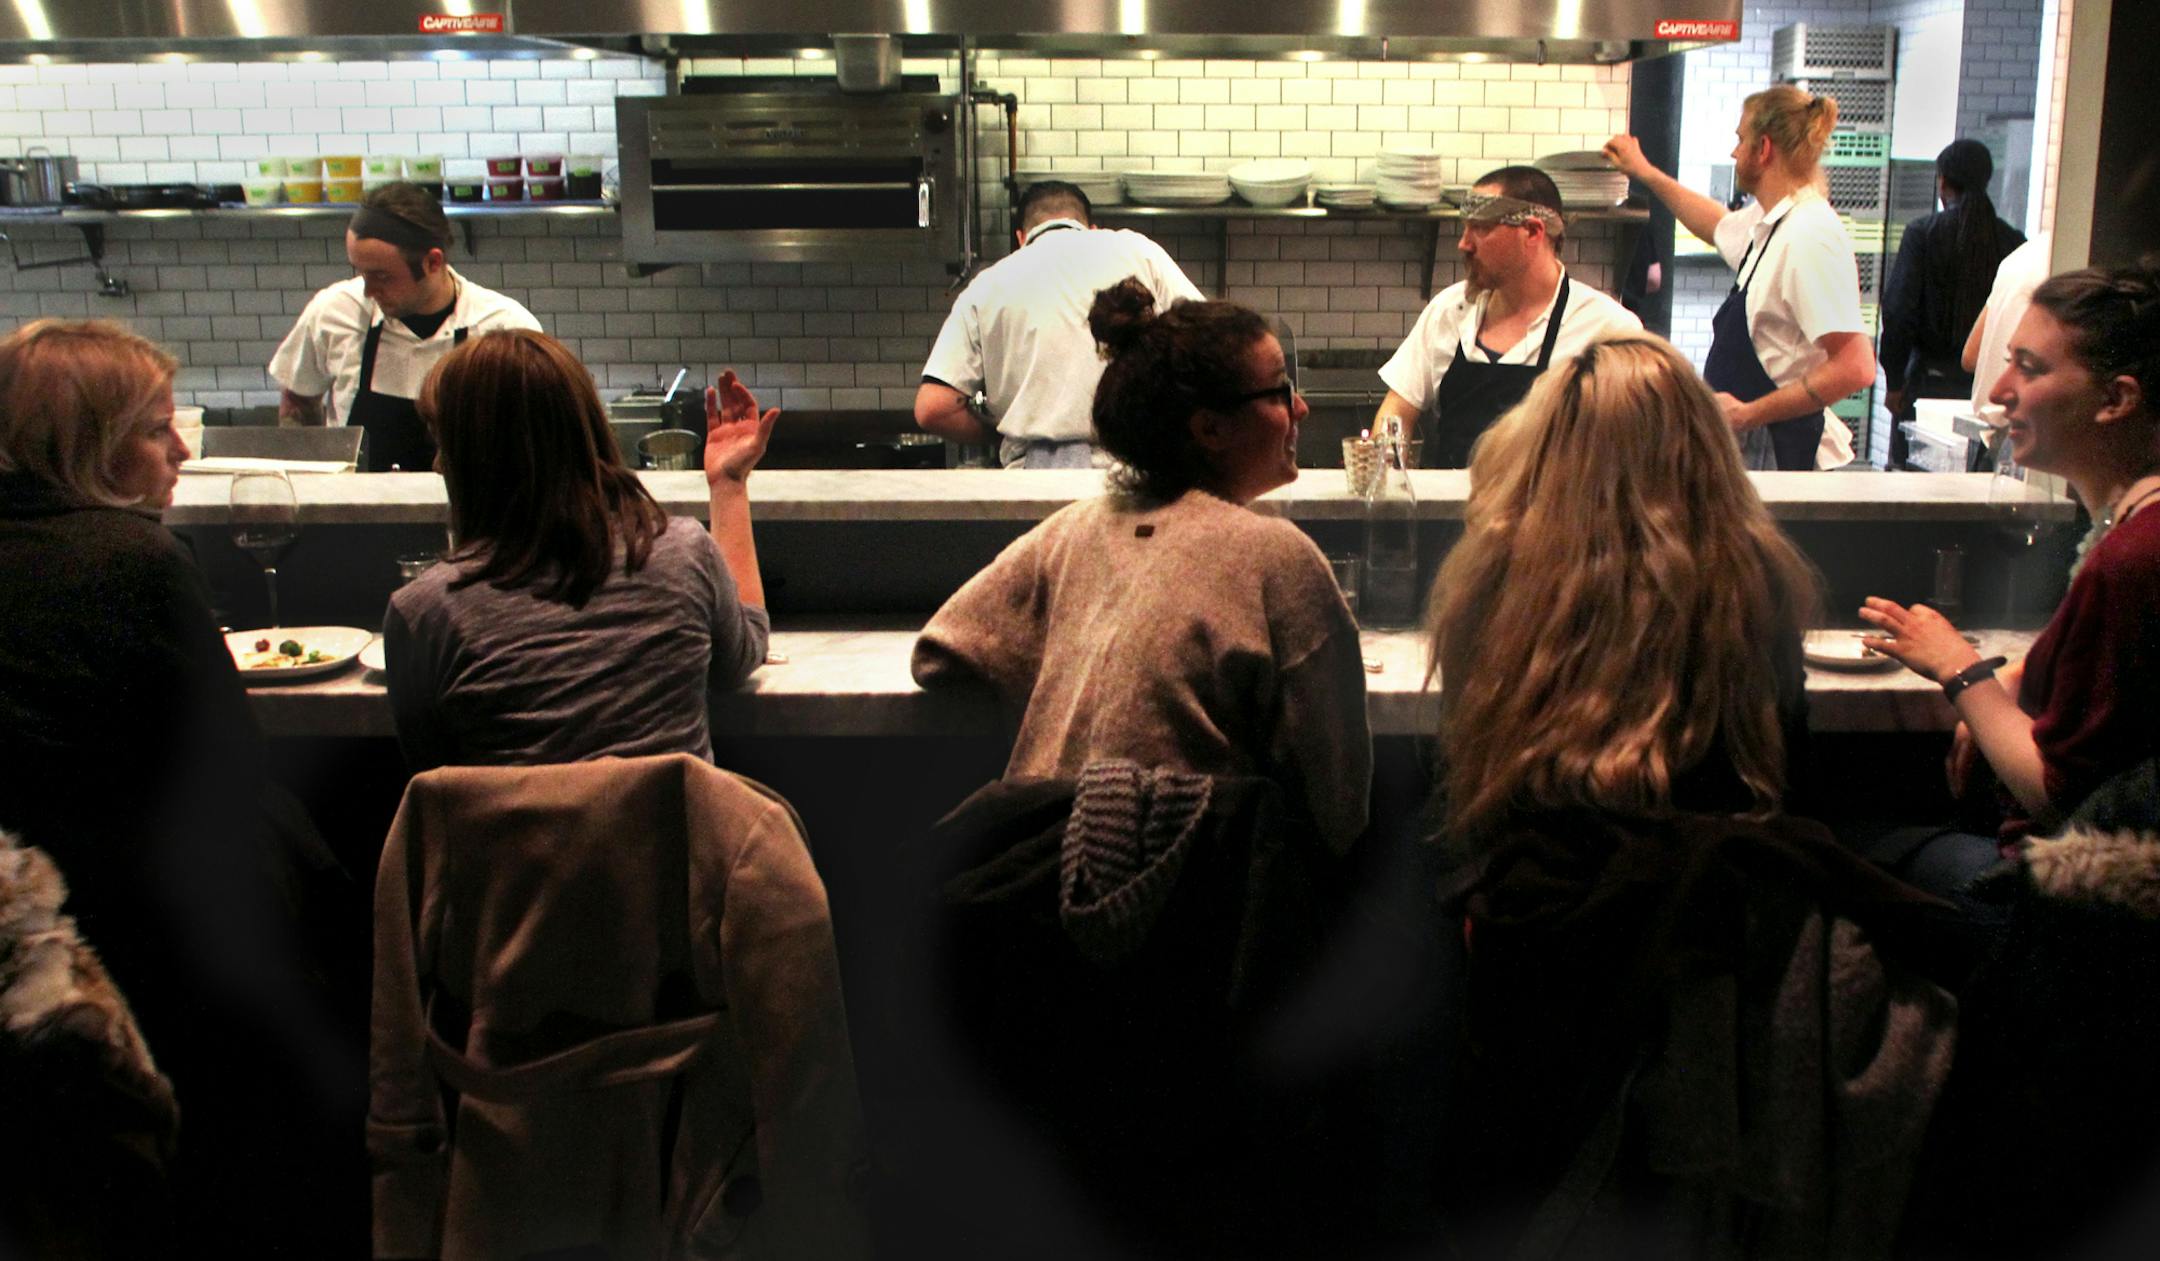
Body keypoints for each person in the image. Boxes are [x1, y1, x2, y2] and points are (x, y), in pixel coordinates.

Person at [1425, 334, 1955, 1257]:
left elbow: (1473, 772)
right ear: (1702, 450)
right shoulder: (1751, 577)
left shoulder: (1493, 572)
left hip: (1540, 922)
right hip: (1711, 927)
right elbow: (1781, 773)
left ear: (1545, 440)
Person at [0, 319, 359, 1253]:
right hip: (150, 939)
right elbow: (230, 764)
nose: (182, 450)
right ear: (94, 441)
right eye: (158, 428)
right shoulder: (133, 560)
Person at [913, 279, 1370, 851]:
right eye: (1280, 392)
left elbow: (939, 656)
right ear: (1210, 429)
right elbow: (1339, 808)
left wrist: (1088, 679)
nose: (1300, 408)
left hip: (1036, 877)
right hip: (1184, 893)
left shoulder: (1072, 529)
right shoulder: (1278, 557)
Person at [1859, 265, 2160, 899]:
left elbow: (2055, 797)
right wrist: (2018, 680)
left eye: (2030, 367)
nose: (1998, 390)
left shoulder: (2133, 558)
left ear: (2117, 400)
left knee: (1824, 836)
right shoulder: (2133, 525)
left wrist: (1960, 670)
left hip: (2051, 900)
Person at [382, 330, 776, 770]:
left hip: (504, 840)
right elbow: (741, 656)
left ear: (470, 457)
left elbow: (431, 773)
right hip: (666, 838)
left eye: (443, 443)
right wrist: (729, 485)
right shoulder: (681, 555)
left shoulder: (423, 613)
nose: (438, 462)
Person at [1607, 86, 1877, 470]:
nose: (1735, 153)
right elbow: (1717, 224)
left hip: (1784, 453)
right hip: (1753, 444)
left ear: (1763, 148)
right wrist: (1646, 173)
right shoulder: (1773, 222)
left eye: (1740, 139)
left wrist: (1750, 413)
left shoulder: (1810, 235)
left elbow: (1855, 366)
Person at [916, 180, 1203, 469]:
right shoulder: (1140, 252)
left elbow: (933, 409)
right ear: (1092, 228)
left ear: (1021, 237)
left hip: (1030, 481)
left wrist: (1002, 433)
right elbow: (1212, 345)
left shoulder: (986, 286)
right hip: (1133, 472)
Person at [1374, 165, 1641, 468]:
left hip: (1550, 514)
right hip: (1448, 512)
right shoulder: (1449, 311)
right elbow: (1397, 408)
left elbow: (1631, 450)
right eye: (1465, 228)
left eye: (1482, 228)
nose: (1464, 244)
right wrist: (1386, 470)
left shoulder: (1608, 328)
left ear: (1532, 232)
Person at [269, 180, 540, 472]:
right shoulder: (334, 311)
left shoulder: (504, 327)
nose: (368, 291)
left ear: (433, 262)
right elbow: (298, 398)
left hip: (469, 513)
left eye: (383, 277)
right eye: (361, 272)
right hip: (356, 510)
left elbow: (538, 439)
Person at [1880, 139, 2025, 465]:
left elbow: (1899, 312)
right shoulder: (2013, 241)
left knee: (1913, 482)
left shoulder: (1923, 233)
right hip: (1982, 393)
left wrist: (1894, 381)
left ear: (1942, 181)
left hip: (1926, 385)